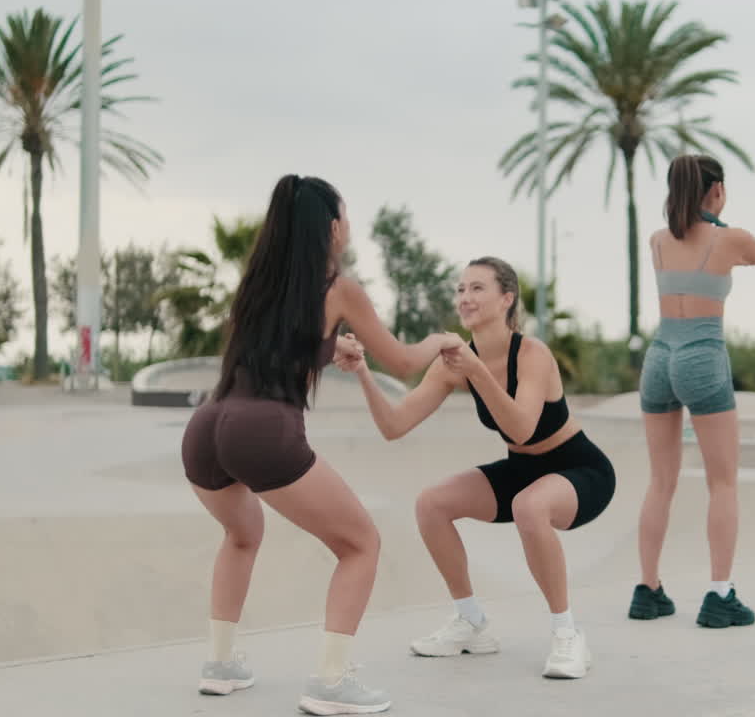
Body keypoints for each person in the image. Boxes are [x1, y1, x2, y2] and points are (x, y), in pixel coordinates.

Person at [180, 174, 459, 715]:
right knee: (361, 544)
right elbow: (403, 361)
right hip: (263, 430)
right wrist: (441, 340)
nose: (348, 227)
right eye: (346, 217)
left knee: (243, 534)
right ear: (332, 228)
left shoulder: (258, 282)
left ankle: (220, 664)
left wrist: (327, 351)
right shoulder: (337, 287)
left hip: (208, 425)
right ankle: (331, 681)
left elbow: (270, 352)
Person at [336, 256, 615, 680]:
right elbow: (395, 425)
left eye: (477, 288)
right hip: (521, 470)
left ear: (506, 299)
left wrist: (476, 371)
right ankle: (471, 623)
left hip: (580, 469)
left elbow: (522, 428)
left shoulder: (532, 354)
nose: (465, 297)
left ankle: (567, 634)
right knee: (432, 503)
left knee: (529, 506)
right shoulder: (456, 362)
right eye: (461, 289)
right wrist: (362, 374)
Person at [630, 154, 755, 628]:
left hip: (658, 358)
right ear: (716, 191)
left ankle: (648, 590)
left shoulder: (656, 240)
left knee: (660, 481)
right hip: (702, 356)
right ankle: (720, 594)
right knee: (723, 482)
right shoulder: (731, 238)